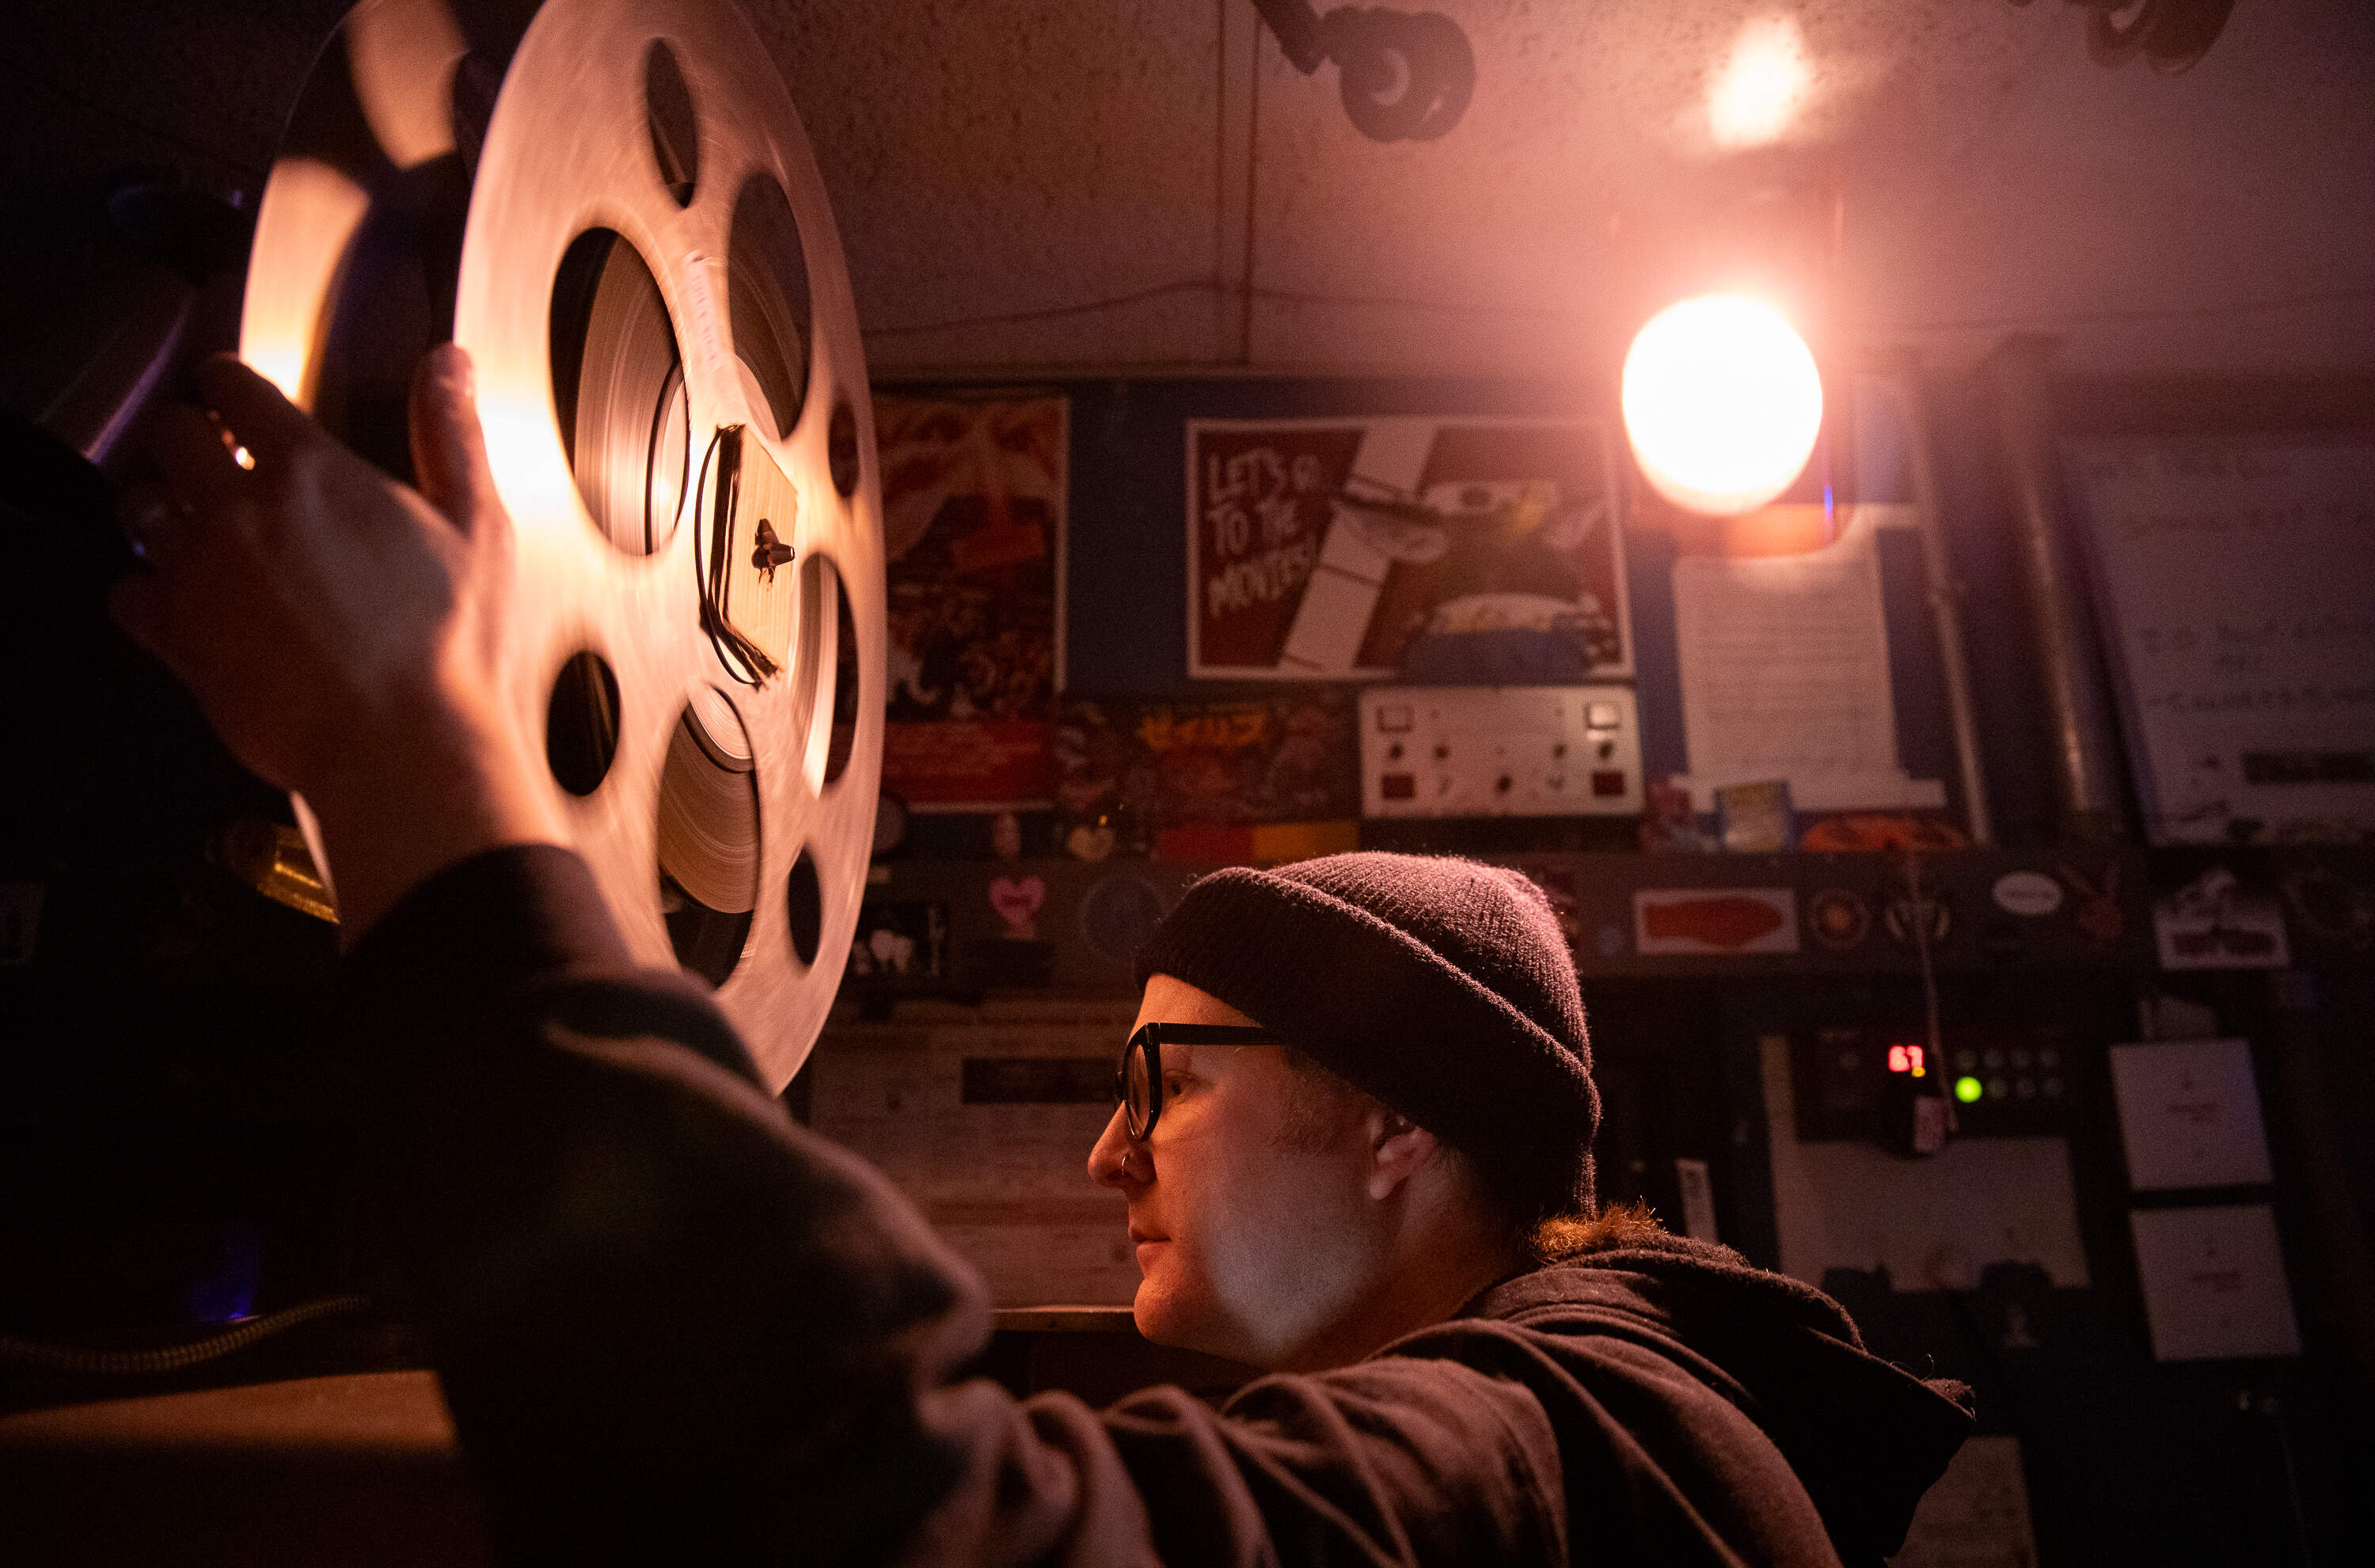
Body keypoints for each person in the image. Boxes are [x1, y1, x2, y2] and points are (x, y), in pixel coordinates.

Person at [117, 345, 1971, 1566]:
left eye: (1164, 1077)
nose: (1106, 1154)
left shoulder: (1573, 1431)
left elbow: (880, 1524)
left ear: (1394, 1123)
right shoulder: (1614, 1425)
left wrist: (405, 744)